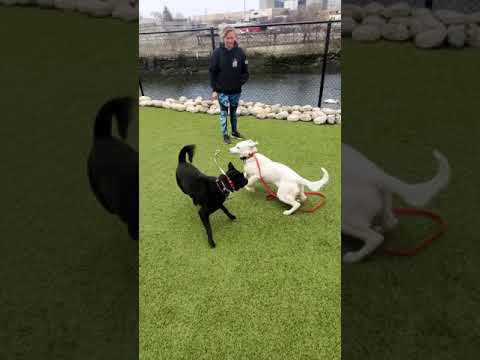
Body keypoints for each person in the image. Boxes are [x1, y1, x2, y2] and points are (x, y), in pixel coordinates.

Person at [209, 26, 249, 144]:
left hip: (236, 91)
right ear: (223, 38)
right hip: (222, 92)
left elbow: (245, 73)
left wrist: (238, 83)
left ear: (235, 38)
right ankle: (225, 134)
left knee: (233, 112)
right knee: (223, 113)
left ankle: (234, 131)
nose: (230, 40)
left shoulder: (240, 52)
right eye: (227, 38)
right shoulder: (217, 53)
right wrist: (215, 90)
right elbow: (212, 72)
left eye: (232, 38)